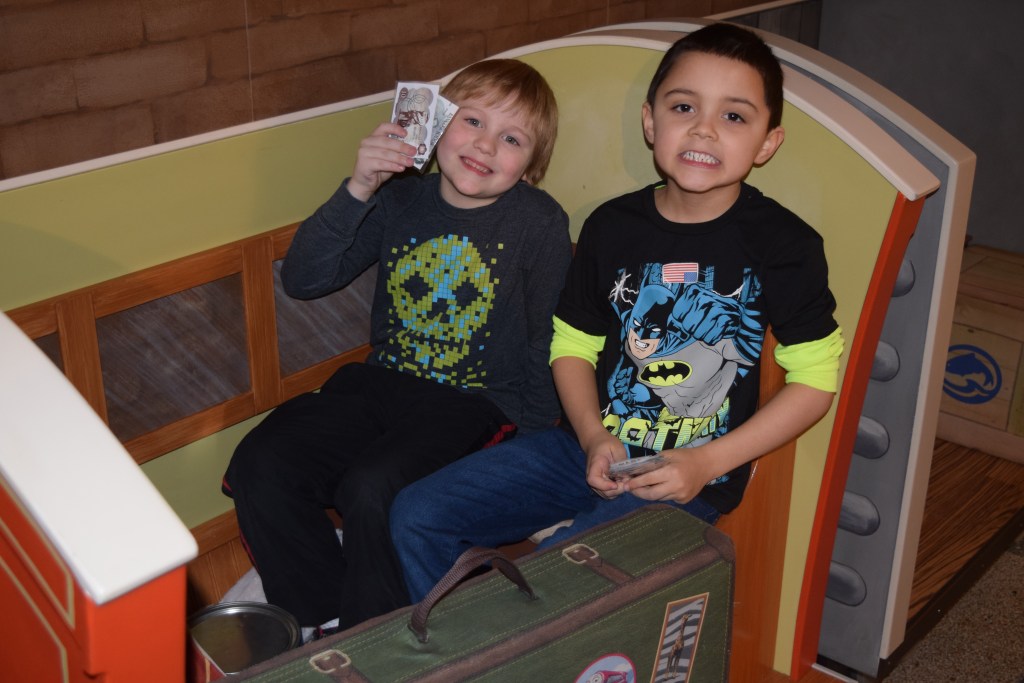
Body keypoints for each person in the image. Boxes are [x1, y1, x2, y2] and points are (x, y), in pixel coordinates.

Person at [390, 22, 845, 603]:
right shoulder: (611, 225)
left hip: (688, 477)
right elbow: (572, 344)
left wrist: (706, 462)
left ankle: (502, 647)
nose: (703, 128)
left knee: (553, 578)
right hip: (585, 446)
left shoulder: (784, 243)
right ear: (652, 122)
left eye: (733, 116)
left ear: (766, 143)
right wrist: (591, 434)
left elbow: (815, 380)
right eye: (684, 106)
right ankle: (476, 654)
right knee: (417, 512)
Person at [221, 58, 571, 638]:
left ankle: (376, 634)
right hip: (379, 386)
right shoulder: (402, 197)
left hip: (475, 405)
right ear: (435, 128)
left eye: (511, 139)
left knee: (374, 485)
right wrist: (360, 186)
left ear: (530, 167)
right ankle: (323, 617)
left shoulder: (539, 221)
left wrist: (528, 455)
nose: (485, 145)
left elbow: (544, 340)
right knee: (265, 459)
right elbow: (305, 278)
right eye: (472, 121)